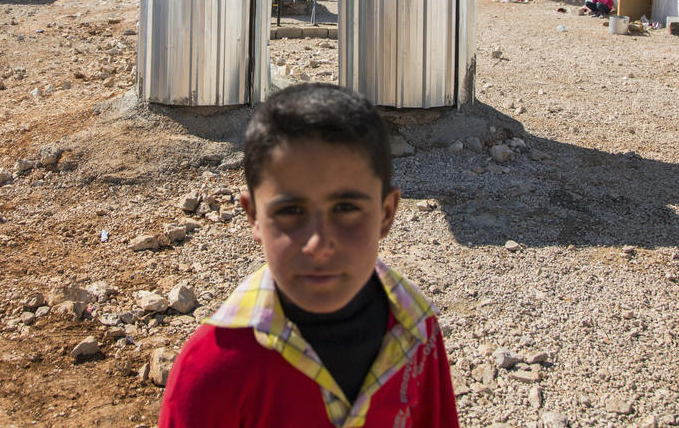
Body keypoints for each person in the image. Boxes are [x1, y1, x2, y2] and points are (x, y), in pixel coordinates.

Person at [159, 83, 459, 428]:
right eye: (291, 211)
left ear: (386, 213)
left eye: (346, 208)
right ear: (253, 215)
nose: (318, 243)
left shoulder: (418, 332)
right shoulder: (212, 366)